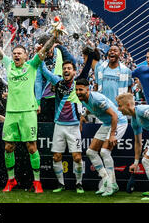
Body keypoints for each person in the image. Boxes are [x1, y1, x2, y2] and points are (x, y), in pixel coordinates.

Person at [0, 13, 56, 194]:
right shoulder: (8, 64)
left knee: (31, 147)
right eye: (14, 53)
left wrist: (55, 35)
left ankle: (37, 182)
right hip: (12, 113)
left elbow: (44, 51)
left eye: (19, 53)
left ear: (25, 56)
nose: (16, 55)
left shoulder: (32, 65)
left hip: (28, 112)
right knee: (8, 146)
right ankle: (11, 180)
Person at [38, 40, 95, 194]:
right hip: (59, 126)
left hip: (74, 126)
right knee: (56, 156)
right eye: (64, 68)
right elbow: (44, 70)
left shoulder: (78, 83)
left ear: (74, 71)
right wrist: (41, 55)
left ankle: (78, 183)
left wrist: (90, 55)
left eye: (69, 68)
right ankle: (61, 184)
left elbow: (88, 68)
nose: (66, 70)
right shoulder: (57, 81)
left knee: (77, 157)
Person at [76, 78, 128, 196]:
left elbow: (114, 115)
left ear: (87, 89)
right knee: (91, 152)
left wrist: (113, 135)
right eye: (77, 89)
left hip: (118, 122)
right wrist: (82, 116)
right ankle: (106, 181)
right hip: (107, 123)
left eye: (81, 89)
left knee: (104, 152)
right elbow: (90, 109)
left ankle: (112, 185)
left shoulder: (97, 98)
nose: (78, 92)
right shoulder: (83, 99)